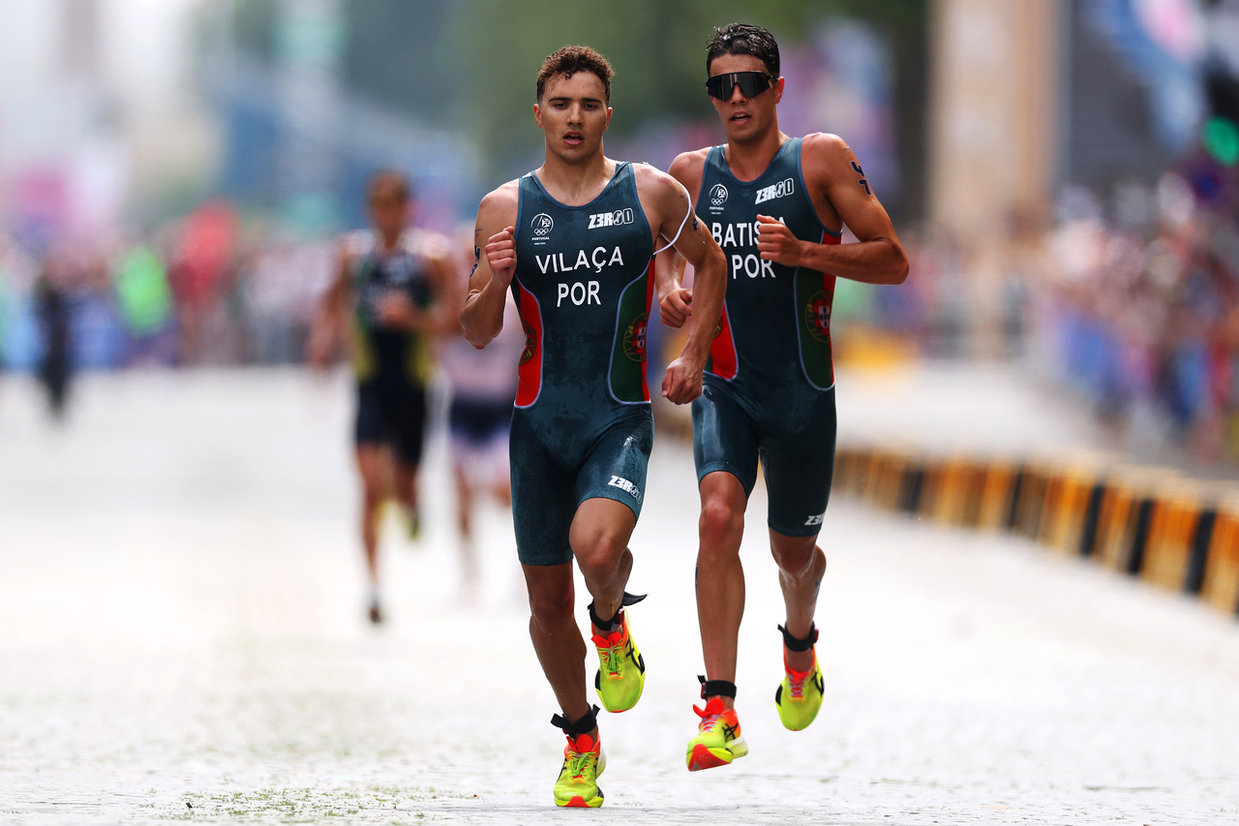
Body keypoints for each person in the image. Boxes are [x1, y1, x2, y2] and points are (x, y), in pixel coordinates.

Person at [461, 46, 726, 808]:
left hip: (616, 415)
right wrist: (498, 280)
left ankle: (610, 622)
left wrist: (694, 350)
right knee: (546, 605)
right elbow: (476, 329)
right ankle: (580, 739)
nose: (573, 117)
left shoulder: (651, 193)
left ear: (606, 113)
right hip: (535, 427)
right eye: (559, 104)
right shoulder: (502, 211)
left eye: (587, 104)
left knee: (597, 545)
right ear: (538, 114)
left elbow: (708, 266)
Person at [657, 23, 909, 772]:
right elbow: (669, 267)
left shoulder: (821, 160)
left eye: (749, 83)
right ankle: (720, 706)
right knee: (714, 518)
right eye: (720, 86)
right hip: (724, 386)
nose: (735, 98)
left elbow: (894, 260)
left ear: (776, 88)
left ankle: (798, 640)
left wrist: (803, 252)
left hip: (801, 394)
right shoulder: (689, 173)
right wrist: (674, 298)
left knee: (790, 556)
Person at [308, 170, 457, 625]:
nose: (387, 214)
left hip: (414, 385)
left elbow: (457, 320)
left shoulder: (430, 257)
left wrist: (413, 320)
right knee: (371, 486)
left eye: (396, 205)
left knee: (403, 485)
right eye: (379, 206)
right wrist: (323, 341)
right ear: (371, 210)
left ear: (407, 209)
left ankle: (411, 501)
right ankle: (373, 588)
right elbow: (331, 303)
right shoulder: (354, 255)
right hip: (370, 385)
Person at [437, 235, 522, 593]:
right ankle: (469, 568)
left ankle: (527, 560)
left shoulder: (512, 306)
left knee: (505, 492)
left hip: (501, 407)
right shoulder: (446, 309)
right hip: (462, 405)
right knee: (459, 492)